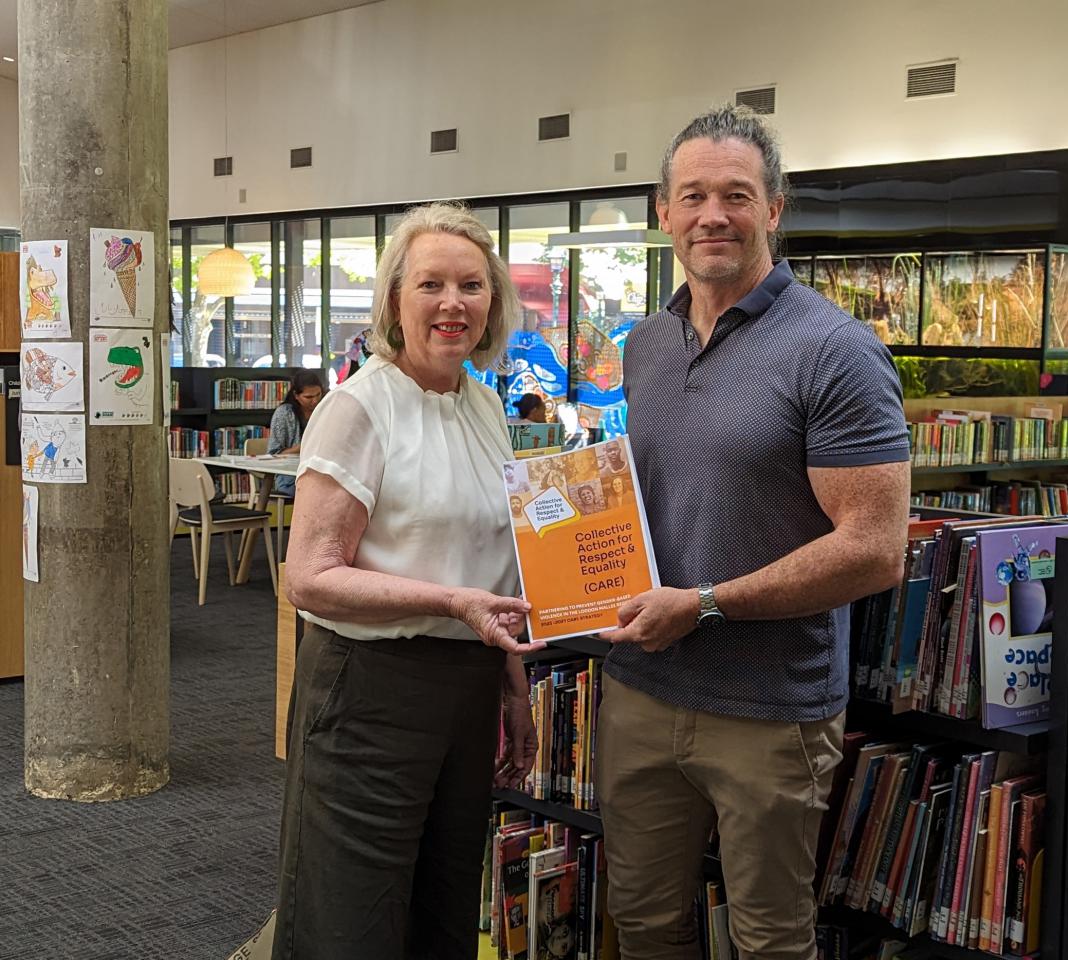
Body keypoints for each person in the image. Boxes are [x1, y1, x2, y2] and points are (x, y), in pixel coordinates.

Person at [596, 104, 912, 960]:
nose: (712, 215)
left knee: (771, 939)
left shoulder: (834, 350)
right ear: (662, 212)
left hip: (770, 708)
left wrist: (703, 604)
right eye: (691, 195)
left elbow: (875, 549)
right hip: (640, 686)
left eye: (736, 194)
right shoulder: (647, 343)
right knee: (644, 919)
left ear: (774, 209)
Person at [272, 202, 543, 960]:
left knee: (444, 908)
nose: (453, 303)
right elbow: (310, 578)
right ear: (395, 299)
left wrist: (514, 687)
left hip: (468, 687)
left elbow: (492, 559)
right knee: (350, 918)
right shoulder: (359, 407)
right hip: (370, 691)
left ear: (493, 301)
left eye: (472, 285)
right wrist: (452, 603)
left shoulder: (485, 404)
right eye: (431, 285)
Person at [267, 369, 326, 497]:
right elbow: (273, 454)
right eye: (308, 397)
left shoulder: (325, 410)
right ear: (296, 396)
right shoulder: (284, 414)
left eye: (318, 394)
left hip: (321, 472)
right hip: (291, 477)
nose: (315, 400)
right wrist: (303, 447)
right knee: (316, 493)